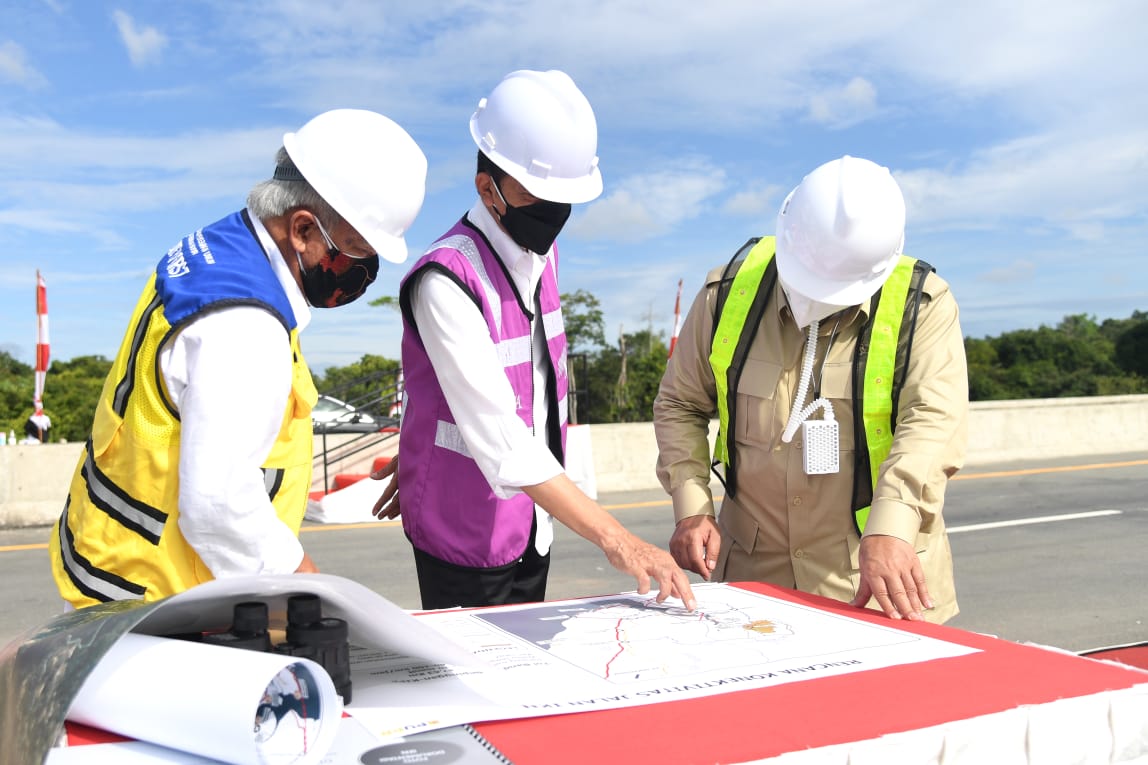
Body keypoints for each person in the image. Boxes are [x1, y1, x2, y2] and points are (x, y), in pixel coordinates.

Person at [49, 109, 428, 608]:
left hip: (107, 558)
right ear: (302, 230)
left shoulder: (219, 249)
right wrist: (303, 585)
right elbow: (217, 505)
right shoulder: (244, 327)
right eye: (355, 249)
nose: (362, 269)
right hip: (156, 594)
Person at [373, 69, 696, 612]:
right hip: (463, 535)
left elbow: (538, 385)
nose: (555, 214)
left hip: (533, 521)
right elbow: (500, 434)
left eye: (563, 198)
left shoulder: (539, 258)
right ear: (487, 189)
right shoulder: (446, 280)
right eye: (539, 195)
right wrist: (620, 540)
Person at [653, 155, 967, 623]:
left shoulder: (922, 305)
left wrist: (894, 525)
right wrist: (692, 506)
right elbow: (680, 402)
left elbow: (932, 421)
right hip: (755, 578)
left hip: (876, 577)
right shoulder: (728, 295)